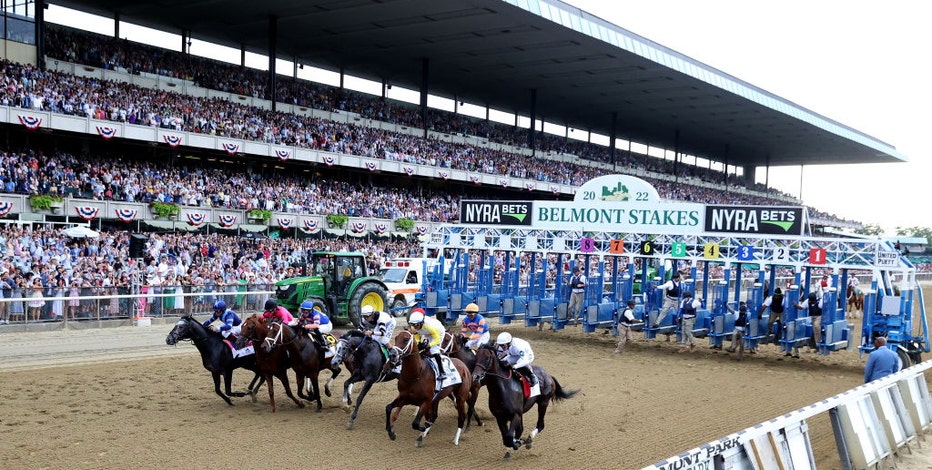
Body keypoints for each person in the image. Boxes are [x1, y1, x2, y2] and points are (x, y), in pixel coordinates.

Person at [409, 310, 448, 379]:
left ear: (422, 322)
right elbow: (416, 335)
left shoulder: (430, 326)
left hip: (438, 333)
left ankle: (442, 372)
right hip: (426, 333)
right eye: (413, 325)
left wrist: (429, 345)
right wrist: (418, 342)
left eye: (417, 325)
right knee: (419, 349)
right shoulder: (414, 326)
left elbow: (437, 339)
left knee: (434, 350)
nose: (415, 327)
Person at [652, 272, 681, 337]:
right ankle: (657, 323)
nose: (677, 279)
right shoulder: (670, 283)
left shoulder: (681, 283)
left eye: (677, 278)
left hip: (677, 300)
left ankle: (680, 326)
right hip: (669, 299)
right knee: (664, 311)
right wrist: (657, 287)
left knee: (679, 313)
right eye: (676, 278)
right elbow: (664, 286)